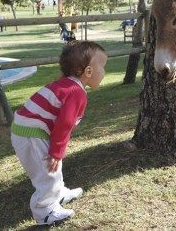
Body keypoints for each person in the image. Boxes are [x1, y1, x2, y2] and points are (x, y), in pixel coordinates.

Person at [10, 41, 108, 226]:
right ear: (88, 71)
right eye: (103, 66)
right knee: (48, 172)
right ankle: (45, 212)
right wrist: (56, 151)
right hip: (31, 134)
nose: (104, 71)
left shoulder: (67, 85)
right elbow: (64, 124)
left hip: (28, 130)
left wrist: (57, 151)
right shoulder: (76, 93)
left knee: (53, 167)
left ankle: (59, 193)